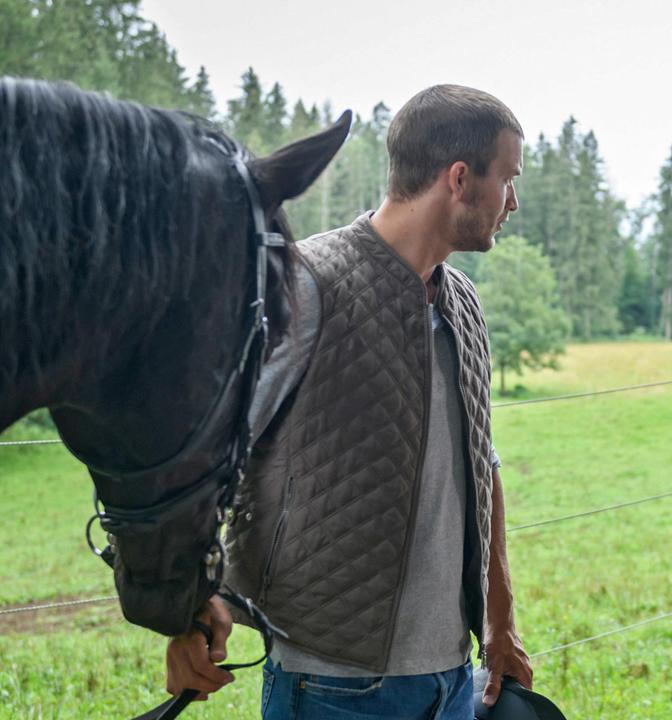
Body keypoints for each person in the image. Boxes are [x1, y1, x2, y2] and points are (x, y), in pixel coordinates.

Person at [164, 84, 533, 719]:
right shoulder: (306, 284)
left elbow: (483, 465)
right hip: (331, 688)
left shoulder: (465, 303)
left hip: (454, 679)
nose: (514, 202)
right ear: (460, 179)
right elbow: (205, 454)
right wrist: (184, 613)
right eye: (508, 179)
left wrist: (501, 624)